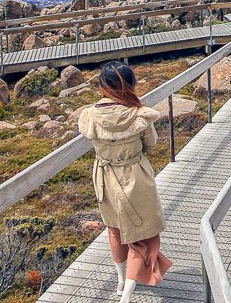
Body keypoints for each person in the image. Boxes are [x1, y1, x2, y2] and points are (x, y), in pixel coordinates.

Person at [78, 62, 172, 302]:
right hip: (135, 177)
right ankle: (127, 296)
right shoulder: (139, 115)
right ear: (131, 85)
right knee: (144, 235)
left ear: (102, 86)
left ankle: (121, 282)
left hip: (105, 178)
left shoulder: (90, 116)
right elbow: (151, 143)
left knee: (115, 230)